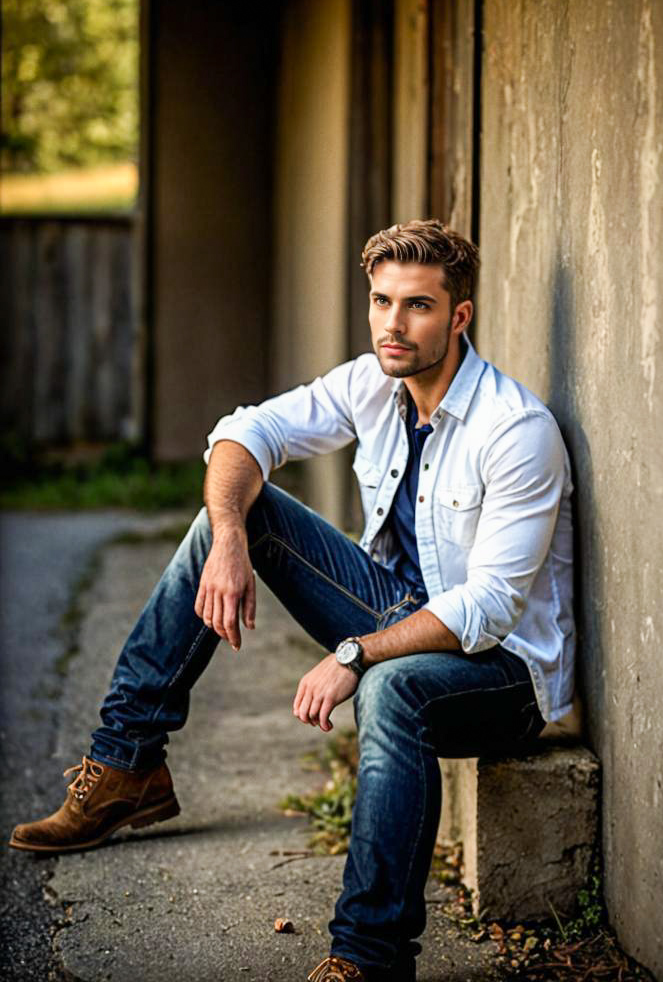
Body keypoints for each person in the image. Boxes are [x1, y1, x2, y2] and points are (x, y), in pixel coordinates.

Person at [10, 219, 574, 982]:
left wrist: (355, 653)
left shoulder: (516, 431)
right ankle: (126, 764)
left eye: (417, 306)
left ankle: (369, 957)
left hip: (502, 674)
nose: (392, 325)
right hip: (402, 606)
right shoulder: (376, 383)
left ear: (459, 317)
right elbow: (248, 429)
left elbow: (489, 608)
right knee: (237, 509)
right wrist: (231, 536)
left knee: (393, 685)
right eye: (381, 302)